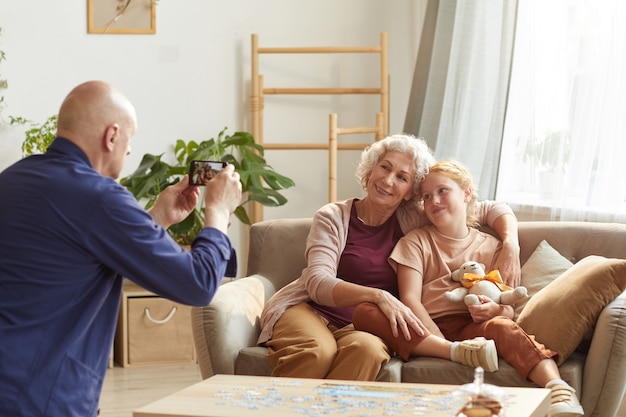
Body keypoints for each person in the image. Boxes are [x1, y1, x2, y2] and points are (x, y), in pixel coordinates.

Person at [0, 81, 242, 417]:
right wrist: (218, 212)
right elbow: (197, 284)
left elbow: (74, 253)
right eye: (130, 139)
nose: (129, 151)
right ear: (112, 136)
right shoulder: (99, 196)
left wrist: (157, 218)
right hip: (41, 397)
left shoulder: (13, 178)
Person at [257, 134, 522, 381]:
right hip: (312, 310)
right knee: (318, 351)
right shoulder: (333, 217)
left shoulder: (413, 218)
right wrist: (378, 295)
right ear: (370, 170)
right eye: (384, 168)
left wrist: (510, 244)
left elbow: (488, 207)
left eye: (402, 177)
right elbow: (317, 283)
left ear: (410, 192)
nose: (388, 181)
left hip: (365, 322)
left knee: (368, 352)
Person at [353, 160, 583, 416]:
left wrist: (495, 310)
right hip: (424, 328)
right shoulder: (415, 241)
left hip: (473, 327)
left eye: (442, 191)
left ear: (466, 193)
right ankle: (456, 352)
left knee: (504, 327)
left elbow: (507, 308)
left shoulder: (492, 246)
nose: (434, 201)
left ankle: (558, 388)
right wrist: (436, 338)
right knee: (365, 311)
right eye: (427, 197)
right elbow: (409, 298)